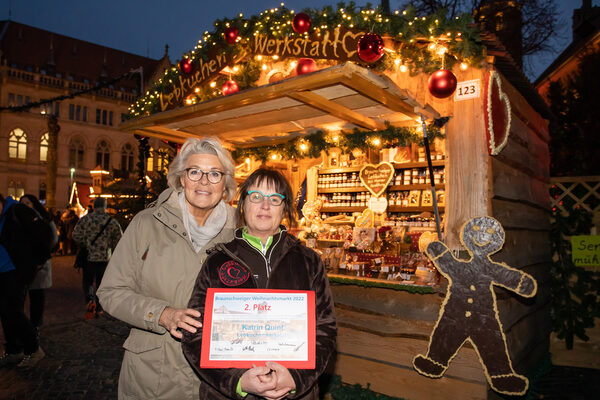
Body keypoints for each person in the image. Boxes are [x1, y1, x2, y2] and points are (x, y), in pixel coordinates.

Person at [97, 137, 238, 399]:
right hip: (153, 376)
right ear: (181, 178)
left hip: (217, 378)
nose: (204, 181)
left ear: (225, 183)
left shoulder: (239, 233)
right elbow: (110, 291)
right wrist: (160, 314)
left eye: (214, 174)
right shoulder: (147, 223)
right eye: (195, 171)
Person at [182, 167, 337, 400]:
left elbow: (325, 330)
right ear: (242, 204)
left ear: (284, 208)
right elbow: (194, 333)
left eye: (275, 199)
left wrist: (295, 377)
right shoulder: (217, 261)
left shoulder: (308, 261)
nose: (265, 206)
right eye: (256, 197)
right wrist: (238, 381)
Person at [0, 194, 48, 368]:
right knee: (5, 312)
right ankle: (13, 350)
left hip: (16, 271)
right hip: (3, 271)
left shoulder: (17, 211)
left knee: (12, 311)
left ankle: (33, 348)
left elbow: (44, 233)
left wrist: (39, 261)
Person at [72, 197, 122, 319]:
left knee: (88, 281)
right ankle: (99, 307)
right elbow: (120, 238)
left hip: (89, 257)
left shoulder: (86, 219)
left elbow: (75, 235)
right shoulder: (111, 221)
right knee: (101, 283)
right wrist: (110, 245)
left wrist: (86, 243)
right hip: (105, 258)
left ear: (94, 206)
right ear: (105, 206)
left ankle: (90, 300)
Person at [19, 194, 58, 336]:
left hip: (39, 266)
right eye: (22, 203)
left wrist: (42, 255)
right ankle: (22, 325)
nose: (24, 205)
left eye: (27, 203)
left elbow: (53, 239)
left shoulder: (44, 220)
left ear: (34, 204)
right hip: (21, 266)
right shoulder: (17, 220)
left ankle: (35, 325)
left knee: (37, 298)